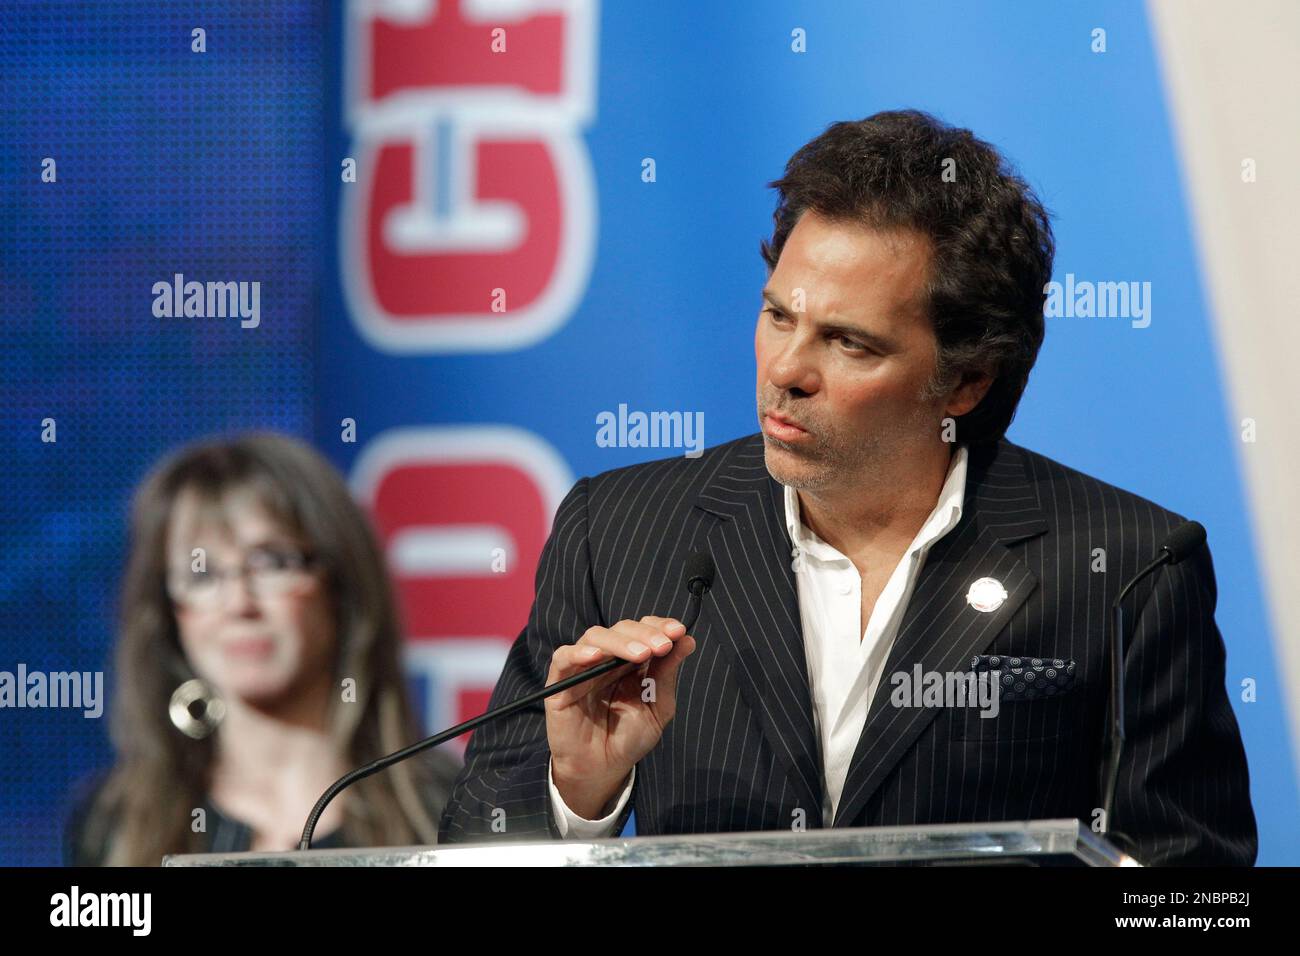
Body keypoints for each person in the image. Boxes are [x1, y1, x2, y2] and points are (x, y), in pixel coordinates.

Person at [438, 110, 1257, 866]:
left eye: (849, 344)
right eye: (778, 316)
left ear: (965, 381)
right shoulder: (618, 529)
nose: (787, 370)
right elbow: (472, 843)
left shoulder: (1127, 567)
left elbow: (1196, 896)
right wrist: (579, 793)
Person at [63, 432, 460, 865]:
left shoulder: (448, 807)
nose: (238, 604)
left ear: (341, 585)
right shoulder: (112, 824)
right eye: (202, 575)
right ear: (168, 614)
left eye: (271, 562)